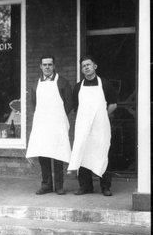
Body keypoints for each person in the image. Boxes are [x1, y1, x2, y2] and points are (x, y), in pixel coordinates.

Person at [67, 55, 117, 196]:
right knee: (83, 152)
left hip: (100, 126)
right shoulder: (78, 87)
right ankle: (85, 186)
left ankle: (105, 186)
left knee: (102, 152)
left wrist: (101, 116)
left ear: (95, 66)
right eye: (83, 66)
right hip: (84, 127)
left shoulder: (105, 84)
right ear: (82, 69)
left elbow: (113, 104)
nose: (86, 67)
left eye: (88, 64)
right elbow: (77, 108)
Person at [26, 55, 72, 195]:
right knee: (43, 152)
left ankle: (59, 186)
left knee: (58, 154)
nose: (47, 67)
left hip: (57, 124)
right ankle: (46, 185)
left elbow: (69, 103)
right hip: (42, 124)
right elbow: (33, 104)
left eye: (50, 64)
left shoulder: (62, 82)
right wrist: (43, 118)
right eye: (44, 65)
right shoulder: (36, 84)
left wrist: (58, 117)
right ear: (40, 66)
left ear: (54, 66)